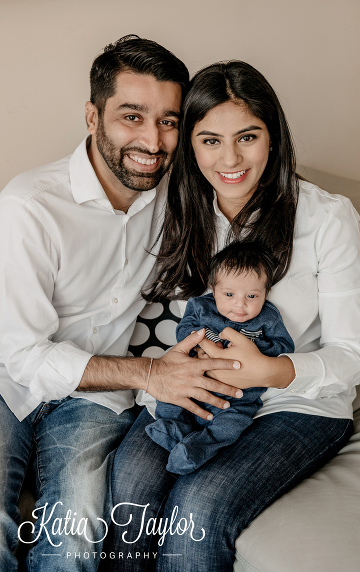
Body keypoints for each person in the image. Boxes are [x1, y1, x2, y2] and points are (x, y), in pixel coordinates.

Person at [103, 60, 360, 571]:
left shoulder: (326, 217)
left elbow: (352, 357)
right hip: (197, 386)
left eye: (247, 137)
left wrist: (268, 371)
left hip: (296, 404)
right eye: (210, 140)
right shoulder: (175, 208)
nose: (230, 158)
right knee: (132, 492)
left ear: (274, 137)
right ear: (190, 143)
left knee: (195, 510)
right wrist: (167, 373)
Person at [0, 35, 242, 572]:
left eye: (169, 121)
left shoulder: (180, 200)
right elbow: (22, 357)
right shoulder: (29, 207)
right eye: (131, 116)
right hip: (6, 382)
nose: (152, 141)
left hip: (97, 398)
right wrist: (152, 374)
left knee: (75, 533)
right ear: (93, 116)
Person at [146, 241, 294, 475]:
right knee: (169, 397)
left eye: (252, 296)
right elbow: (185, 328)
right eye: (229, 294)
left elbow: (285, 346)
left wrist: (258, 358)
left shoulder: (269, 318)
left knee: (233, 425)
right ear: (213, 289)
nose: (240, 304)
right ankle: (173, 429)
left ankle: (200, 447)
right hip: (192, 380)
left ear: (265, 293)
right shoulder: (201, 307)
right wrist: (202, 342)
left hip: (237, 398)